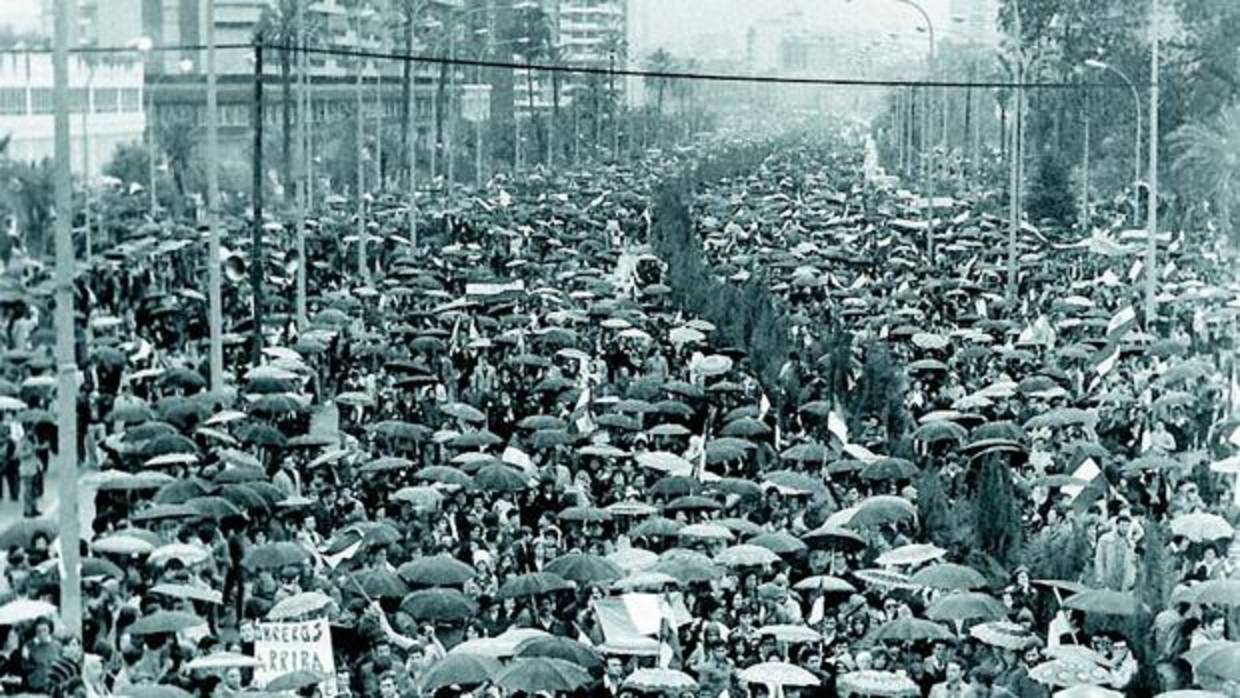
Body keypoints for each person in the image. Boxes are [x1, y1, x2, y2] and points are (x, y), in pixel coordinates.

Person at [1094, 514, 1137, 591]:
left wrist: (1131, 580)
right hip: (1109, 578)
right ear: (1117, 526)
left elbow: (1131, 564)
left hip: (1124, 581)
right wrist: (1100, 578)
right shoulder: (1106, 539)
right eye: (1123, 525)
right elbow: (1099, 560)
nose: (1125, 529)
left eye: (1127, 526)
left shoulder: (1130, 543)